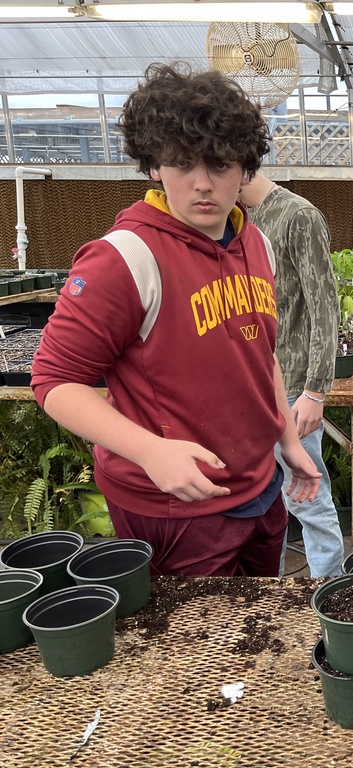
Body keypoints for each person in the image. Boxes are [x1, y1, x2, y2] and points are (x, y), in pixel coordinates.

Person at [30, 63, 320, 576]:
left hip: (260, 487)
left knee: (259, 635)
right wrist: (150, 451)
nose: (203, 185)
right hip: (177, 505)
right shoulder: (126, 258)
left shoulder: (257, 245)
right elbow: (54, 382)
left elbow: (260, 356)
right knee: (199, 652)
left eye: (221, 165)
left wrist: (288, 442)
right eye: (183, 164)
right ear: (154, 167)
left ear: (246, 170)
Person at [239, 172, 345, 578]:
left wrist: (316, 391)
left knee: (307, 499)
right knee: (267, 502)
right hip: (255, 386)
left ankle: (329, 593)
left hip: (293, 390)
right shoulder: (240, 221)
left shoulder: (298, 216)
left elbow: (324, 308)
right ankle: (278, 600)